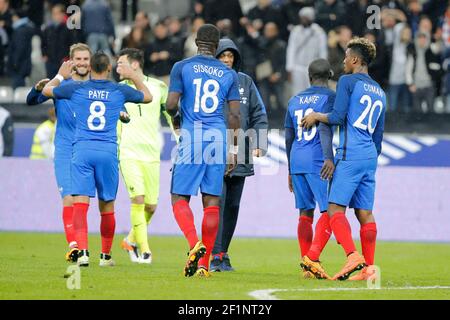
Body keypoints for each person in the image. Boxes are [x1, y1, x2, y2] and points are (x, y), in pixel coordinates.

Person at [42, 52, 152, 267]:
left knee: (81, 204)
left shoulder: (77, 88)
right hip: (107, 153)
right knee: (107, 205)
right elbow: (147, 96)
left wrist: (59, 76)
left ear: (90, 68)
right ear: (109, 69)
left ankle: (82, 253)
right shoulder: (119, 90)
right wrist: (134, 75)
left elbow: (46, 91)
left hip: (82, 150)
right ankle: (105, 257)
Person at [301, 37, 386, 281]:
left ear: (355, 60)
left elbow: (338, 117)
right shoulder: (380, 92)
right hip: (370, 155)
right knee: (365, 213)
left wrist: (316, 115)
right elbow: (378, 136)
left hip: (350, 153)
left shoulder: (348, 82)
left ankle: (352, 256)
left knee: (335, 207)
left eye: (347, 57)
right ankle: (370, 270)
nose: (344, 61)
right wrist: (369, 158)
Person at [166, 24, 241, 278]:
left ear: (196, 42)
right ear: (218, 45)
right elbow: (234, 115)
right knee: (212, 202)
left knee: (179, 197)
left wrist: (177, 118)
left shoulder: (182, 67)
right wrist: (232, 148)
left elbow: (170, 104)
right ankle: (203, 265)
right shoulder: (228, 73)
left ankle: (193, 244)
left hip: (193, 135)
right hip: (218, 138)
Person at [210, 38, 268, 272]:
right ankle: (214, 254)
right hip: (214, 153)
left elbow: (259, 114)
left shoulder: (245, 81)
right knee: (218, 204)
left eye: (230, 56)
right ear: (215, 58)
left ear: (235, 59)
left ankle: (223, 253)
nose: (227, 60)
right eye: (223, 56)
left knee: (233, 206)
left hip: (242, 152)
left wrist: (260, 143)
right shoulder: (209, 82)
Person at [117, 48, 175, 264]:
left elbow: (171, 116)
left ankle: (130, 240)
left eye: (121, 63)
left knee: (151, 206)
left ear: (135, 64)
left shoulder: (159, 87)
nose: (117, 67)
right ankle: (146, 251)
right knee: (138, 200)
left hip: (151, 154)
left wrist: (180, 139)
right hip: (128, 152)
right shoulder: (118, 89)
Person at [284, 58, 336, 280]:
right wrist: (329, 157)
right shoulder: (331, 97)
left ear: (309, 76)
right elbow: (325, 127)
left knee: (305, 213)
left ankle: (307, 266)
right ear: (330, 76)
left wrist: (289, 168)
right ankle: (312, 259)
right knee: (330, 211)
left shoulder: (294, 100)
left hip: (297, 159)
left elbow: (289, 136)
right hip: (318, 160)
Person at [286, 7, 327, 95]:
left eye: (305, 17)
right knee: (297, 93)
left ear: (311, 18)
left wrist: (322, 68)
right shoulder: (295, 31)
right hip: (298, 67)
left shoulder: (319, 32)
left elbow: (323, 51)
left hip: (312, 67)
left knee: (313, 93)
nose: (303, 20)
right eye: (302, 17)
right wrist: (290, 68)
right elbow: (291, 49)